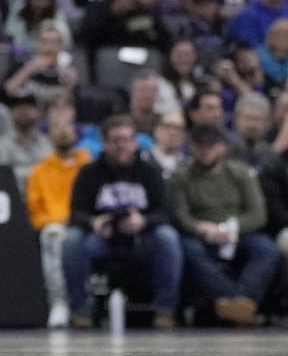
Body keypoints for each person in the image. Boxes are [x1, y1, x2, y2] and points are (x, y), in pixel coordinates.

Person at [63, 116, 182, 329]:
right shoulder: (89, 172)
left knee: (168, 237)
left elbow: (166, 212)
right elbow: (74, 213)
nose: (122, 146)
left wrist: (143, 221)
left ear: (135, 142)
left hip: (141, 240)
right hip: (102, 241)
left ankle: (166, 310)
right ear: (105, 143)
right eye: (116, 141)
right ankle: (80, 309)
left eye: (127, 140)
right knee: (71, 239)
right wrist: (94, 222)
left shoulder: (150, 172)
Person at [168, 123, 280, 325]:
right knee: (188, 249)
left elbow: (258, 214)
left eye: (210, 145)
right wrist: (201, 228)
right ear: (191, 146)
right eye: (199, 145)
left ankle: (237, 303)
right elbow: (180, 215)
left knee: (266, 249)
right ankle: (240, 305)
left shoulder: (241, 173)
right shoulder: (180, 176)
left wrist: (230, 228)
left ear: (222, 147)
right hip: (201, 234)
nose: (204, 151)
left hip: (238, 232)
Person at [24, 118, 92, 329]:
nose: (63, 132)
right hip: (56, 226)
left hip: (87, 224)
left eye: (68, 126)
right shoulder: (39, 171)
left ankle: (86, 303)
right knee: (52, 235)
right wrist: (56, 222)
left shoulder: (89, 165)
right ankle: (59, 303)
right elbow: (35, 212)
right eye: (57, 127)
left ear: (77, 132)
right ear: (48, 134)